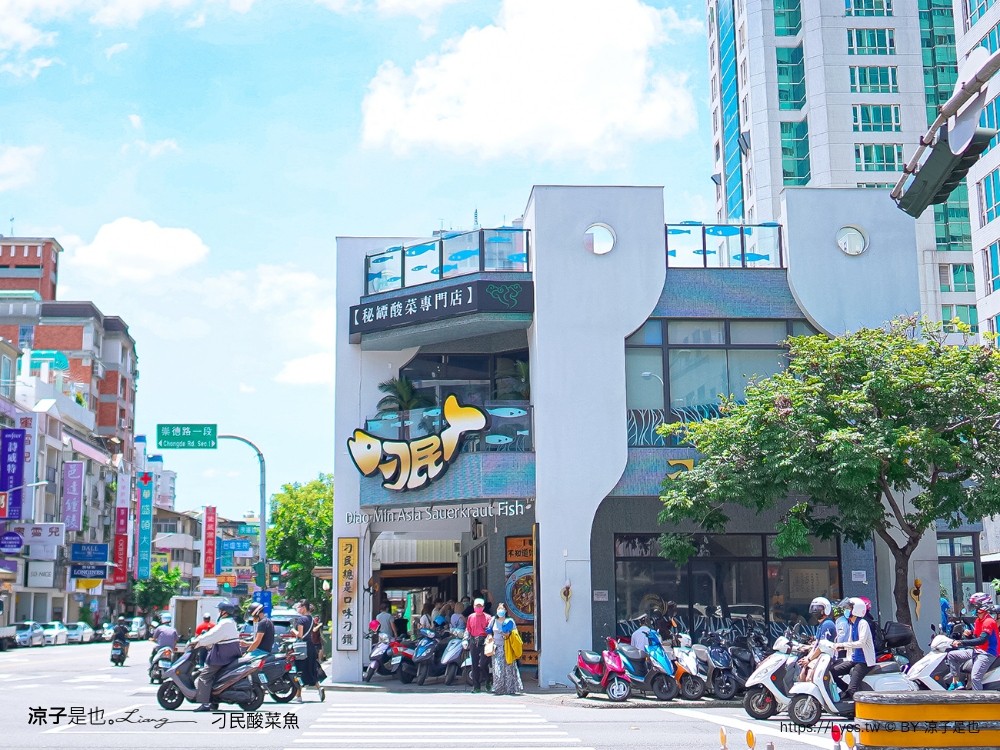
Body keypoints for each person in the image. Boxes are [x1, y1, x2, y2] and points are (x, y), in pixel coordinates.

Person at [191, 601, 243, 712]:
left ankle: (205, 704)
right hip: (231, 652)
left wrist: (197, 642)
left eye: (220, 610)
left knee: (204, 676)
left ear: (224, 612)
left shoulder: (224, 624)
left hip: (223, 654)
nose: (218, 612)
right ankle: (214, 701)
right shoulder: (231, 622)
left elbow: (211, 636)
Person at [946, 592, 999, 690]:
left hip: (988, 653)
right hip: (977, 651)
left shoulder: (989, 622)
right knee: (952, 655)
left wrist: (962, 642)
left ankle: (979, 701)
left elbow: (982, 640)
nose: (973, 608)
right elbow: (976, 638)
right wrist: (970, 635)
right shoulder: (978, 621)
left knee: (975, 678)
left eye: (975, 605)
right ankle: (957, 682)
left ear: (983, 606)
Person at [831, 598, 875, 700]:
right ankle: (847, 692)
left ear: (856, 610)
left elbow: (861, 642)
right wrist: (837, 646)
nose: (846, 610)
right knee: (832, 672)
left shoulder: (863, 623)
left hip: (864, 661)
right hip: (854, 659)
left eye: (848, 608)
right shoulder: (852, 624)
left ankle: (850, 696)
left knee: (853, 688)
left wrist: (843, 645)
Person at [292, 600, 325, 702]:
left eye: (299, 607)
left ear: (304, 608)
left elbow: (300, 635)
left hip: (302, 648)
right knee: (310, 670)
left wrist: (293, 630)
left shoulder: (300, 620)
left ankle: (299, 696)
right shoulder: (310, 618)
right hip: (311, 647)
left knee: (299, 671)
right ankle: (319, 688)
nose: (298, 609)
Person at [798, 597, 836, 680]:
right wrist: (808, 657)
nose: (815, 610)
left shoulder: (827, 624)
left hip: (825, 657)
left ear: (826, 609)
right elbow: (817, 644)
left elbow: (822, 647)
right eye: (814, 608)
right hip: (819, 656)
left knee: (809, 678)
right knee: (802, 675)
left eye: (818, 608)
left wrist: (809, 659)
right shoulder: (821, 625)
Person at [488, 603, 523, 695]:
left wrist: (509, 634)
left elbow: (515, 632)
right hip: (497, 647)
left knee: (509, 669)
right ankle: (498, 688)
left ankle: (510, 689)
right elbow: (488, 630)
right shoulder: (493, 620)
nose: (500, 610)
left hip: (508, 647)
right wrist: (489, 636)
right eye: (499, 609)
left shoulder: (510, 621)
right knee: (497, 668)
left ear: (506, 611)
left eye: (502, 609)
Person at [465, 597, 490, 693]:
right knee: (474, 664)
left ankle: (488, 680)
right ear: (474, 607)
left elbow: (490, 631)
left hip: (484, 641)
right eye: (477, 606)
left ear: (483, 607)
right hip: (473, 640)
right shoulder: (471, 617)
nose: (478, 608)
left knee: (483, 663)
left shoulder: (488, 617)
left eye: (480, 606)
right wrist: (465, 639)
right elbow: (468, 629)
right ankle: (476, 686)